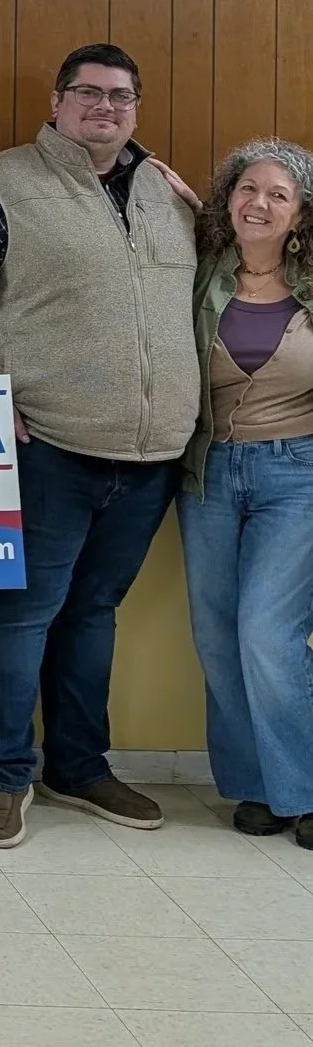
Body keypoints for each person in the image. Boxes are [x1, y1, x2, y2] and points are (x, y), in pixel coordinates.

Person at [0, 43, 196, 849]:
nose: (104, 107)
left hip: (151, 456)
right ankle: (4, 776)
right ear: (57, 103)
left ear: (136, 108)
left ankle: (78, 766)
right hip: (46, 443)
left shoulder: (165, 191)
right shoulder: (5, 183)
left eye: (120, 96)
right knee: (15, 615)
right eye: (87, 92)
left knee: (93, 614)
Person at [177, 139, 313, 849]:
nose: (259, 203)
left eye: (278, 195)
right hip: (208, 474)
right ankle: (257, 786)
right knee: (215, 633)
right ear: (227, 199)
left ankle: (306, 788)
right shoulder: (203, 273)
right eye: (247, 189)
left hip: (298, 474)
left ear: (301, 215)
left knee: (266, 631)